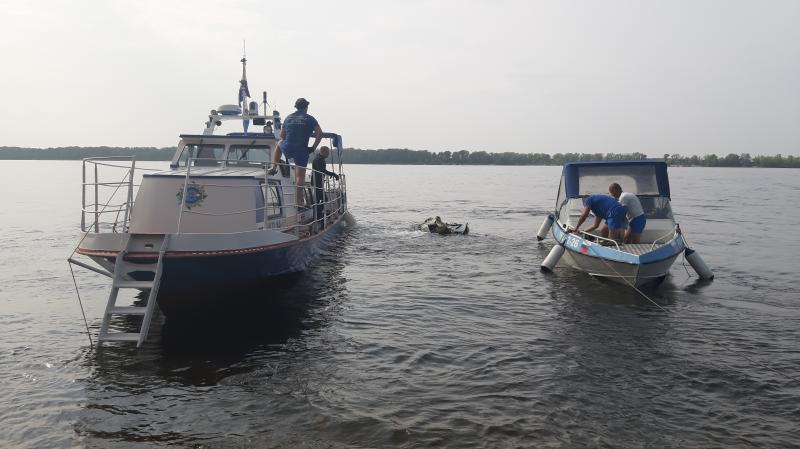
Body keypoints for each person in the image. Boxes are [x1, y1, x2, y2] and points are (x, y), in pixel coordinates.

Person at [269, 98, 323, 207]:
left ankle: (274, 167)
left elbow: (282, 136)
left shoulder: (288, 118)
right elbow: (319, 134)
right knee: (300, 176)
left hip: (288, 147)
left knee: (279, 144)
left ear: (296, 107)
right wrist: (313, 148)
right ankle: (298, 201)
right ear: (306, 107)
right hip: (301, 149)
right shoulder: (310, 119)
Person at [311, 146, 339, 228]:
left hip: (318, 182)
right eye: (328, 152)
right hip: (317, 182)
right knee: (323, 199)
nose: (328, 154)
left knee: (320, 199)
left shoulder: (319, 158)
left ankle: (317, 214)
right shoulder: (318, 159)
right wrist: (333, 174)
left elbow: (322, 170)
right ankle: (317, 215)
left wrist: (330, 175)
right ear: (323, 152)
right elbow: (322, 170)